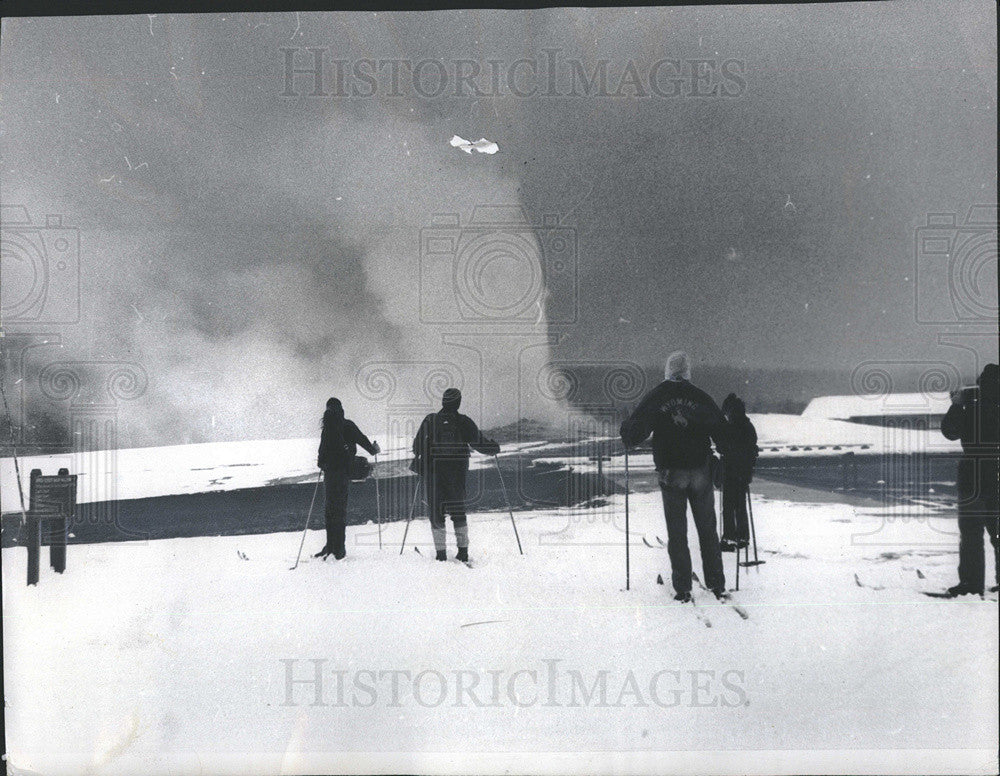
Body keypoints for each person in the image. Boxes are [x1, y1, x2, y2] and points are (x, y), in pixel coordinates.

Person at [620, 351, 728, 601]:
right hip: (700, 471)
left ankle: (682, 587)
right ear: (688, 371)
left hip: (671, 473)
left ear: (667, 370)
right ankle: (716, 583)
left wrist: (627, 428)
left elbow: (636, 433)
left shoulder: (657, 396)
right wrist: (730, 451)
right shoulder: (700, 397)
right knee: (707, 529)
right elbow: (721, 431)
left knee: (677, 533)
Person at [412, 388, 500, 563]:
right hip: (456, 473)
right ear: (458, 402)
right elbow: (479, 443)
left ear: (443, 401)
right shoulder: (463, 421)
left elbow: (416, 447)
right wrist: (494, 447)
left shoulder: (430, 420)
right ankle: (463, 552)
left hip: (433, 473)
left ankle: (441, 554)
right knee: (458, 512)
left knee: (436, 513)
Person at [940, 363, 999, 597]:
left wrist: (956, 405)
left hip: (973, 473)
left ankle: (971, 584)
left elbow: (950, 432)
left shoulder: (971, 402)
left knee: (971, 533)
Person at [315, 397, 379, 560]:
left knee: (330, 511)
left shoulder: (327, 428)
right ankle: (339, 549)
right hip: (343, 473)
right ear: (341, 409)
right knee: (340, 511)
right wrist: (373, 450)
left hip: (329, 474)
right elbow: (363, 440)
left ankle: (330, 546)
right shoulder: (347, 425)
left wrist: (323, 464)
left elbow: (321, 452)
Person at [717, 393, 759, 552]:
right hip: (744, 471)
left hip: (731, 471)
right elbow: (751, 448)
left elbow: (723, 447)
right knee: (740, 505)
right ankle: (743, 537)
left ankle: (729, 538)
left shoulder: (731, 426)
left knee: (728, 505)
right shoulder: (748, 426)